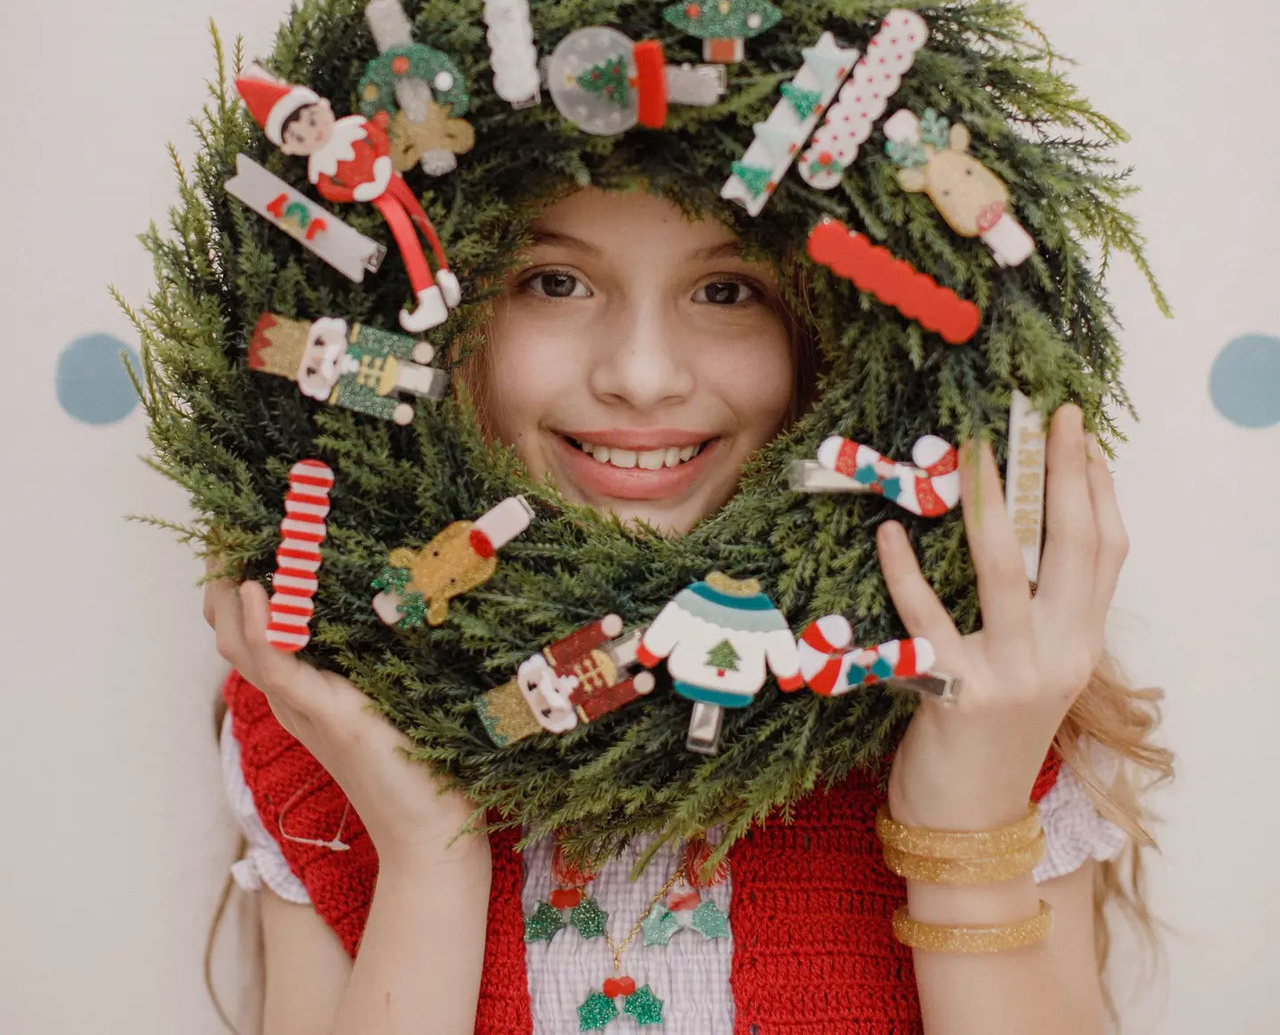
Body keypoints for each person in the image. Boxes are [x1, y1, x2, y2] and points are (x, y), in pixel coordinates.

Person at [205, 185, 1169, 1035]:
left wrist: (967, 823)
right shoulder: (331, 725)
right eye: (552, 281)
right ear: (444, 329)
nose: (643, 374)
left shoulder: (982, 694)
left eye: (726, 289)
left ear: (824, 341)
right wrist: (427, 854)